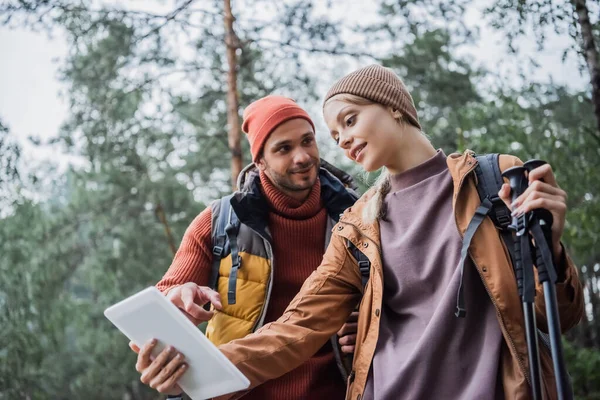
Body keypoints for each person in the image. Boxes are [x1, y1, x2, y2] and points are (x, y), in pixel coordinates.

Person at [136, 65, 584, 400]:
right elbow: (298, 327)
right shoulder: (358, 225)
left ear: (394, 106)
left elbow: (558, 317)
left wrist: (551, 247)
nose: (341, 141)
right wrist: (195, 369)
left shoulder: (493, 180)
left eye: (348, 121)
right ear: (260, 162)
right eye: (335, 133)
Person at [131, 95, 360, 399]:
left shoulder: (358, 217)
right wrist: (176, 296)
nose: (303, 156)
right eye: (284, 148)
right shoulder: (220, 221)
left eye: (307, 141)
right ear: (260, 160)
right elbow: (161, 303)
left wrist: (371, 325)